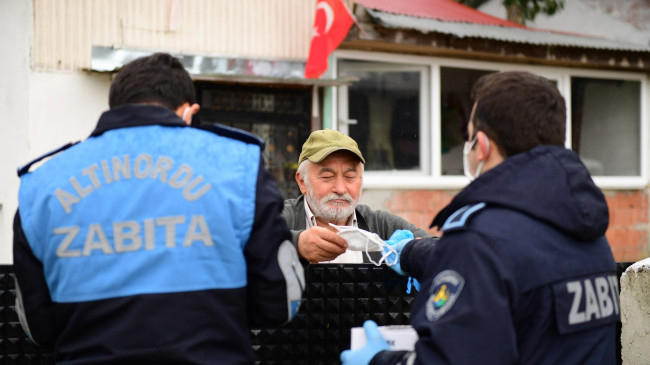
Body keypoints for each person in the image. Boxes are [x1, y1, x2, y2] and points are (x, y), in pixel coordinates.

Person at [13, 53, 304, 364]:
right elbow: (279, 303)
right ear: (188, 112)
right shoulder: (238, 166)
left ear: (114, 109)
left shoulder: (42, 185)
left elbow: (38, 327)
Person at [341, 71, 619, 364]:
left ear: (482, 146)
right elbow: (520, 269)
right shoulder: (585, 229)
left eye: (469, 136)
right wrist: (414, 253)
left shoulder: (481, 239)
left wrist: (381, 361)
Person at [282, 129, 433, 264]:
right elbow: (259, 242)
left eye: (350, 177)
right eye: (327, 177)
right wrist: (296, 244)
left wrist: (417, 250)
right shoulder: (283, 218)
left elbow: (444, 250)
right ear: (302, 182)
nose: (340, 189)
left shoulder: (379, 226)